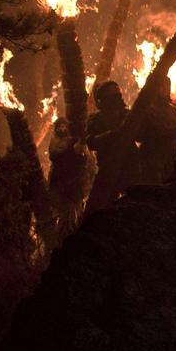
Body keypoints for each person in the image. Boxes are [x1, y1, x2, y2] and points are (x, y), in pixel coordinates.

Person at [87, 81, 140, 197]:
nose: (118, 98)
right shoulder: (96, 119)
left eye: (118, 95)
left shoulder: (127, 115)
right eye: (113, 96)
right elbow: (90, 142)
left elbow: (141, 135)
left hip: (129, 165)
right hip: (108, 167)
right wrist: (114, 135)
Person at [137, 77, 176, 184]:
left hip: (169, 160)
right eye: (161, 86)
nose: (164, 89)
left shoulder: (173, 110)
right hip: (151, 160)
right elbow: (140, 135)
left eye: (166, 86)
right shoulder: (145, 109)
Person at [48, 118, 88, 246]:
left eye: (64, 126)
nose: (62, 129)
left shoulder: (73, 141)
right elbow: (54, 155)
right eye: (59, 126)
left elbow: (82, 156)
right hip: (59, 184)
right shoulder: (55, 141)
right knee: (59, 216)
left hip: (72, 185)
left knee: (70, 219)